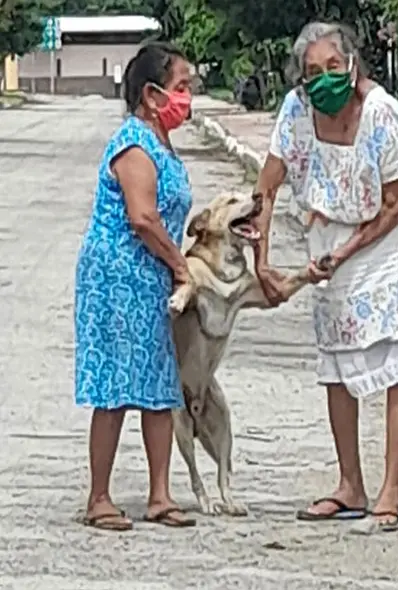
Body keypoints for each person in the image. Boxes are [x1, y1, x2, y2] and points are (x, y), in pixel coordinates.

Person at [252, 21, 398, 533]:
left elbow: (396, 203)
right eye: (312, 72)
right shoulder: (296, 110)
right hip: (331, 226)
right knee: (337, 357)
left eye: (332, 67)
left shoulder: (382, 114)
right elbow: (266, 189)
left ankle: (391, 490)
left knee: (397, 353)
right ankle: (350, 484)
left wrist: (345, 251)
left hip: (393, 234)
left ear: (353, 65)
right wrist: (263, 263)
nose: (323, 79)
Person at [74, 42, 197, 531]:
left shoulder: (160, 141)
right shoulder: (134, 144)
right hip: (117, 275)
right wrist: (182, 266)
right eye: (181, 88)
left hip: (149, 277)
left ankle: (160, 494)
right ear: (151, 94)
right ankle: (99, 496)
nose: (187, 98)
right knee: (115, 385)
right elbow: (142, 217)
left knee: (157, 382)